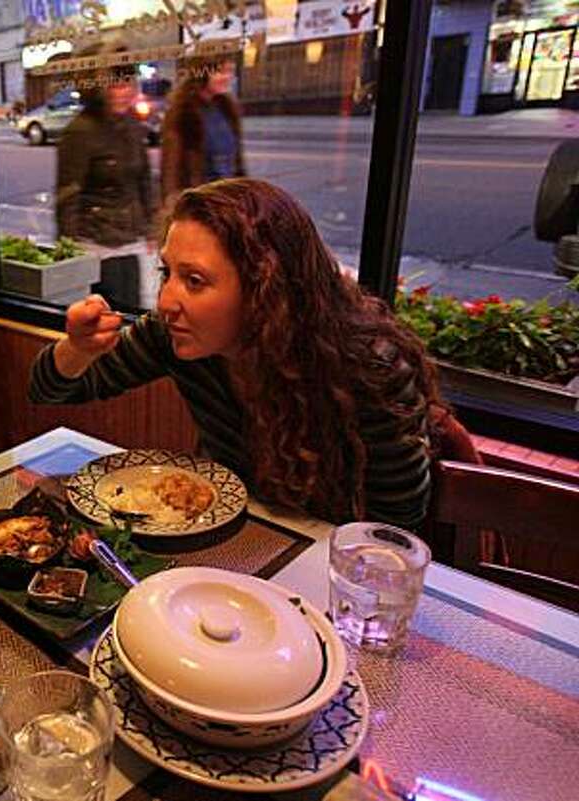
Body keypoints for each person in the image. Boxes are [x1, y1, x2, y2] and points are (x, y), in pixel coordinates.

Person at [30, 179, 443, 529]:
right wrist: (78, 349)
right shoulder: (175, 336)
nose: (166, 301)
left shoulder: (367, 367)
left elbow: (398, 518)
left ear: (266, 290)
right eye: (166, 273)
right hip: (235, 535)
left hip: (325, 559)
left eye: (194, 280)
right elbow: (49, 391)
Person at [55, 64, 157, 248]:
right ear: (99, 90)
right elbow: (68, 194)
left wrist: (151, 228)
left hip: (131, 237)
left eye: (128, 84)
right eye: (115, 86)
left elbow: (144, 181)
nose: (124, 92)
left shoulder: (131, 126)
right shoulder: (81, 131)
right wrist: (70, 247)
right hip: (95, 239)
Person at [159, 57, 246, 207]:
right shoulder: (183, 112)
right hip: (201, 202)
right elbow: (172, 168)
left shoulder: (226, 108)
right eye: (220, 72)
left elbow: (236, 161)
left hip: (228, 199)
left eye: (230, 71)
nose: (227, 77)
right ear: (202, 73)